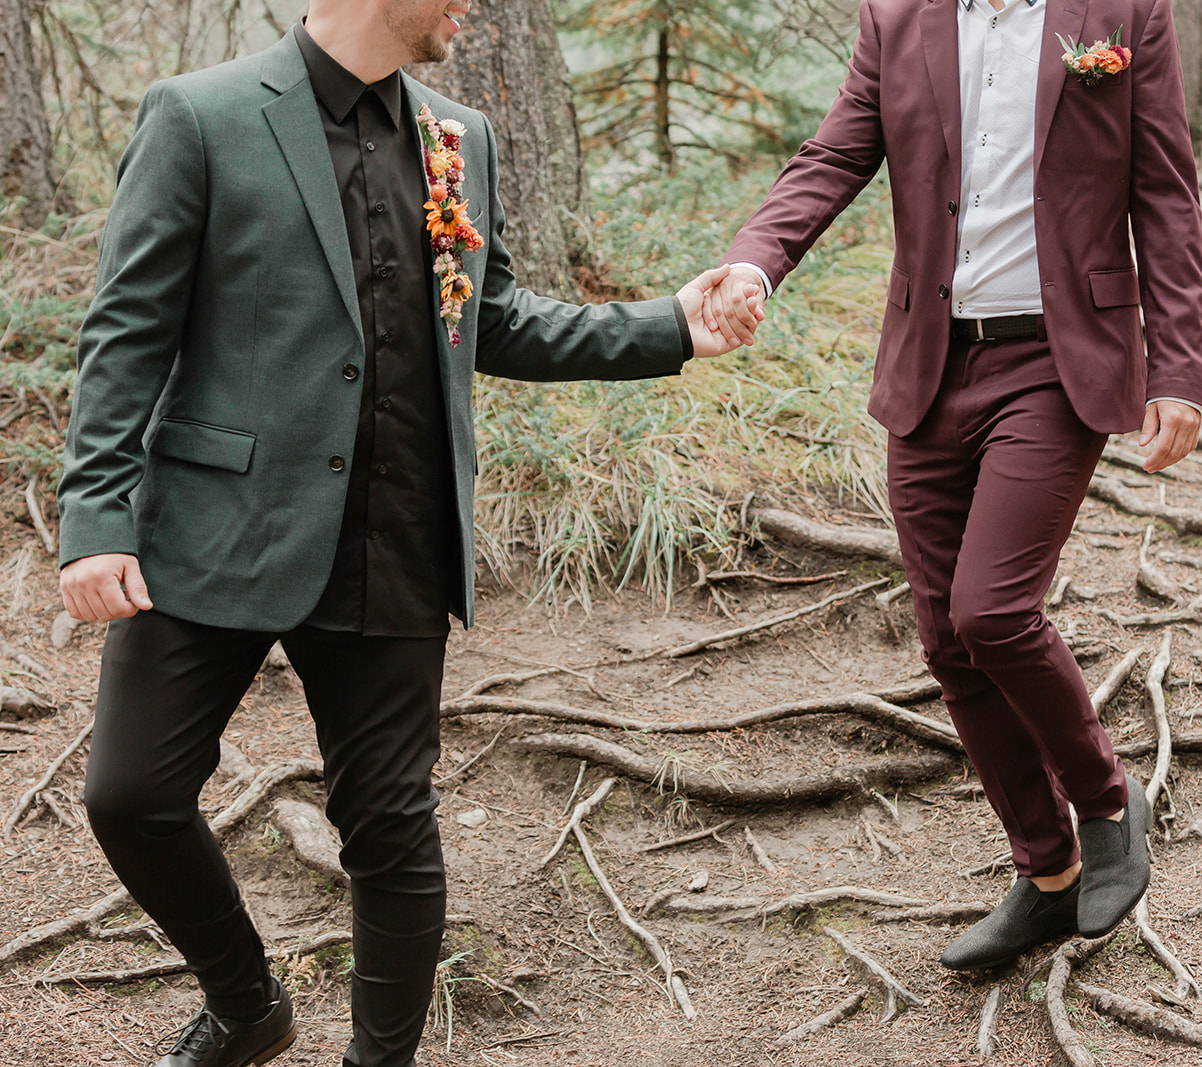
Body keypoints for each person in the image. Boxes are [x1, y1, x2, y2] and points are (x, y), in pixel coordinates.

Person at [55, 2, 761, 1065]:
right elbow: (127, 329)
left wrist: (669, 324)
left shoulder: (457, 134)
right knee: (130, 793)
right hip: (215, 522)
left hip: (396, 527)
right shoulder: (198, 117)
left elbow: (496, 314)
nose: (469, 5)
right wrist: (96, 517)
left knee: (388, 823)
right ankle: (248, 1005)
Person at [703, 0, 1202, 969]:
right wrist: (756, 261)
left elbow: (1167, 195)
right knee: (945, 634)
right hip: (931, 364)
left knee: (993, 608)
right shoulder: (898, 18)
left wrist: (1179, 368)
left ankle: (1106, 800)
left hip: (1057, 363)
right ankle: (1047, 871)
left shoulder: (1123, 14)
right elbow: (835, 156)